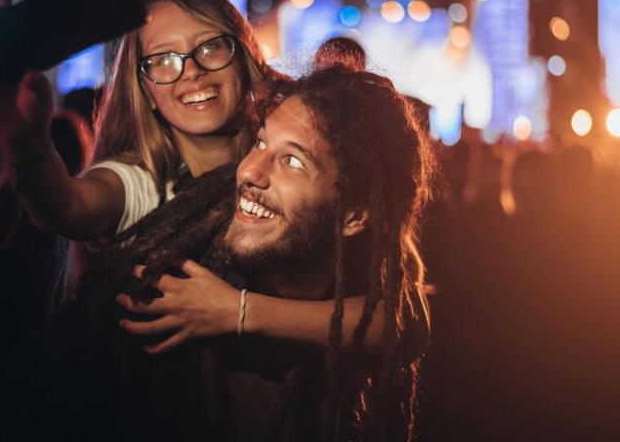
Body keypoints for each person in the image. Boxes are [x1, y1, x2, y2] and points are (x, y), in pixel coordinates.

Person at [100, 66, 434, 441]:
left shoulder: (365, 279)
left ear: (354, 216)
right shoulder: (171, 296)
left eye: (292, 161)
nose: (248, 172)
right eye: (260, 143)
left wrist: (236, 311)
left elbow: (403, 326)